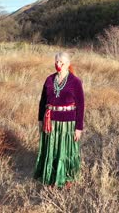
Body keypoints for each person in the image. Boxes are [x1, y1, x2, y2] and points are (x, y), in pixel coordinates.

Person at [33, 51, 85, 188]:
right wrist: (40, 119)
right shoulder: (49, 79)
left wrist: (78, 128)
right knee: (51, 150)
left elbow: (81, 106)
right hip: (50, 122)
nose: (58, 64)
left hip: (68, 124)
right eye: (57, 61)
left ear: (68, 64)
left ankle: (67, 178)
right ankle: (51, 177)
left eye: (62, 62)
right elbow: (42, 101)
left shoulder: (75, 82)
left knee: (65, 151)